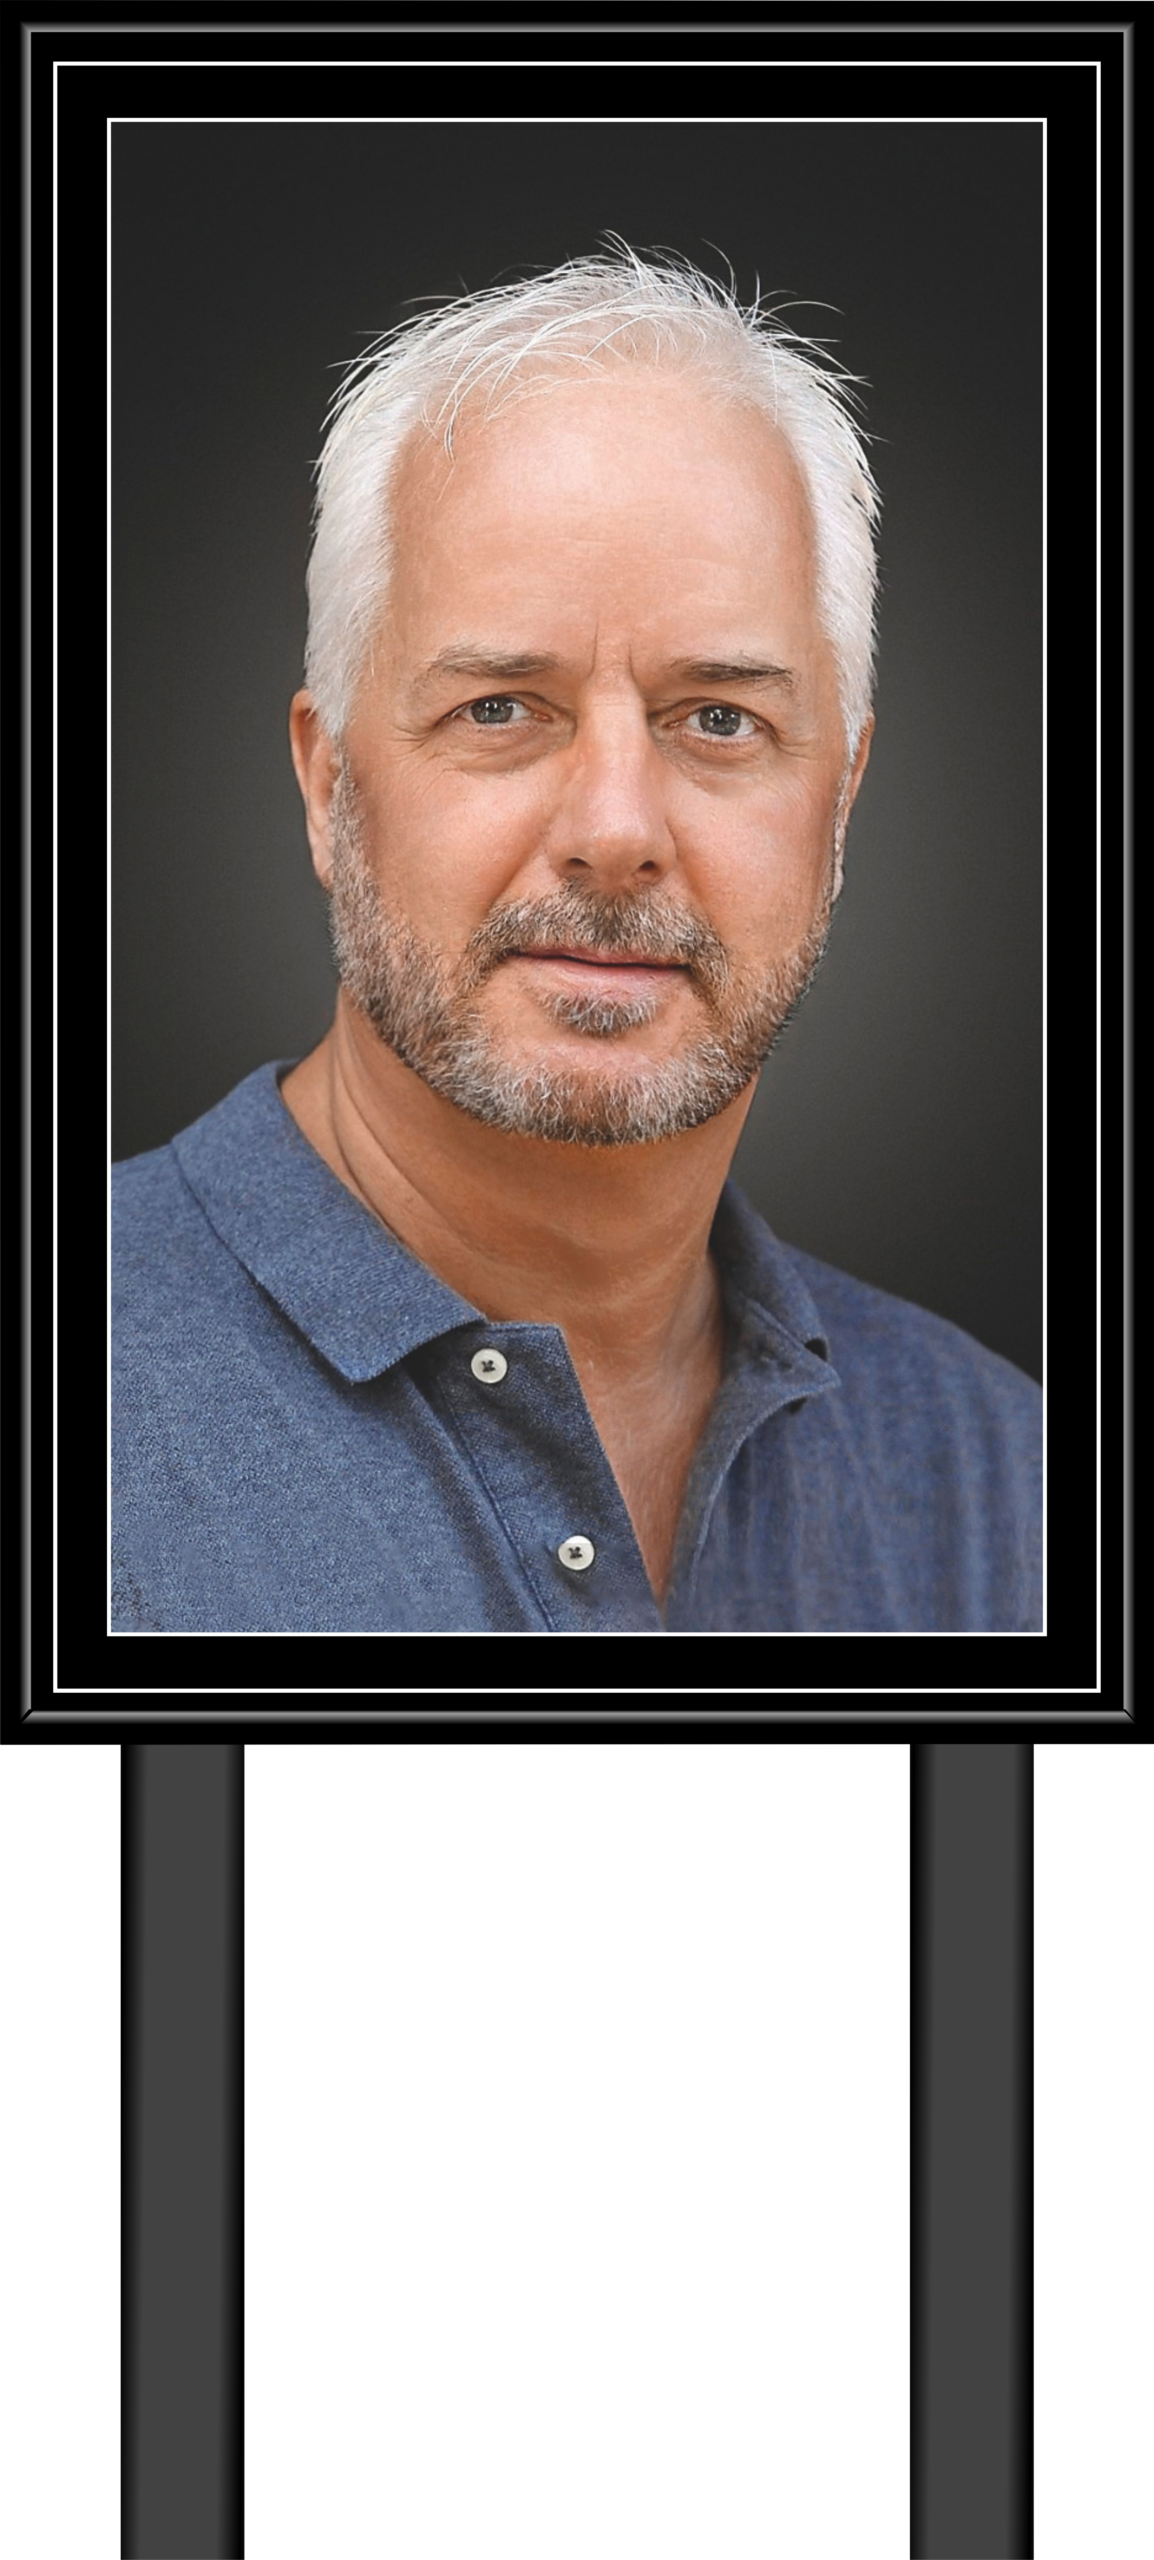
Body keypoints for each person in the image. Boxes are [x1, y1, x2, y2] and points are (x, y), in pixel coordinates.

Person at [112, 246, 1041, 1634]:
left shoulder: (1009, 1487)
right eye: (499, 708)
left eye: (719, 718)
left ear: (839, 800)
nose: (615, 829)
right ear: (328, 783)